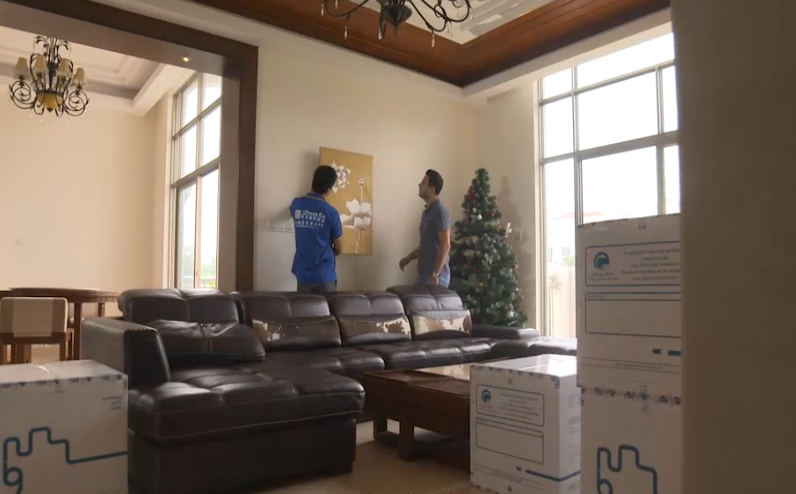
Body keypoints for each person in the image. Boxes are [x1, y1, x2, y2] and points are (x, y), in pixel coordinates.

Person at [290, 165, 343, 293]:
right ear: (328, 190)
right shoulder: (331, 213)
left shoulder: (296, 204)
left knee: (304, 306)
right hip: (325, 275)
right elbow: (339, 248)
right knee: (327, 306)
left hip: (303, 274)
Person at [399, 169, 451, 288]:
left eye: (423, 183)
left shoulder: (440, 211)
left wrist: (436, 274)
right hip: (424, 275)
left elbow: (445, 244)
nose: (419, 185)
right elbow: (427, 244)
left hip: (437, 277)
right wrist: (408, 258)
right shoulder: (426, 213)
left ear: (432, 189)